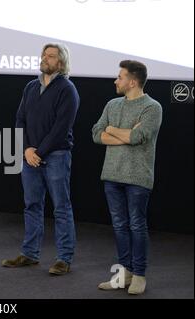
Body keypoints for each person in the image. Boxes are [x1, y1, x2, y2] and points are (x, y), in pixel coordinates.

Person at [2, 43, 79, 275]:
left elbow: (60, 128)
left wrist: (38, 152)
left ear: (61, 62)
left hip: (56, 155)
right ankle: (30, 254)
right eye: (44, 55)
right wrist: (26, 149)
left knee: (61, 208)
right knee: (32, 205)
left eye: (51, 56)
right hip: (30, 157)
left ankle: (64, 258)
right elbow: (20, 119)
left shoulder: (67, 89)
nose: (45, 58)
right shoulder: (31, 86)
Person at [92, 60, 162, 295]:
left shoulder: (152, 107)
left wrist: (112, 130)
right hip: (111, 175)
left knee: (136, 225)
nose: (115, 80)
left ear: (132, 82)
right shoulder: (112, 104)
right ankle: (125, 273)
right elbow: (96, 134)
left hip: (138, 178)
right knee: (120, 226)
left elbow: (140, 136)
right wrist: (123, 133)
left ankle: (139, 274)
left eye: (120, 77)